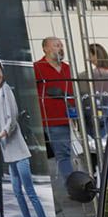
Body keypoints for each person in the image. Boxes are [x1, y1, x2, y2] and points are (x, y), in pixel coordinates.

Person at [0, 55, 56, 217]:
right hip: (10, 154)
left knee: (30, 193)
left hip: (19, 152)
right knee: (17, 193)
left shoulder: (7, 91)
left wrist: (3, 133)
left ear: (3, 70)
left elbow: (13, 117)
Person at [34, 36, 73, 179]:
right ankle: (70, 187)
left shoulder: (68, 68)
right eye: (56, 45)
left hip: (67, 118)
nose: (60, 48)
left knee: (65, 154)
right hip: (48, 119)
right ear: (45, 48)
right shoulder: (37, 68)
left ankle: (70, 186)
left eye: (61, 45)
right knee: (60, 155)